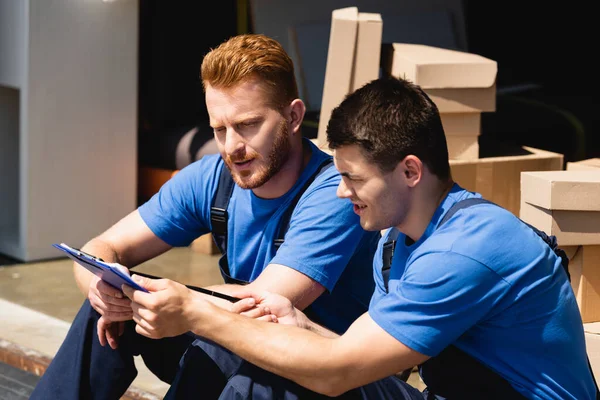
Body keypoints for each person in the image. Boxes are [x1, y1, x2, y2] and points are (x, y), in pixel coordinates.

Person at [121, 76, 597, 399]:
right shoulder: (395, 241)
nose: (341, 191)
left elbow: (338, 372)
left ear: (410, 171)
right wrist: (300, 325)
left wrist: (196, 313)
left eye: (353, 178)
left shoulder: (464, 251)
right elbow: (376, 363)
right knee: (263, 369)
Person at [30, 34, 380, 399]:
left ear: (293, 116)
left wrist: (168, 300)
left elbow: (257, 307)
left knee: (222, 335)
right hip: (245, 356)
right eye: (219, 129)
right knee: (105, 306)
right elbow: (101, 248)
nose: (232, 147)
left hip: (321, 375)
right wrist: (104, 291)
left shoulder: (335, 194)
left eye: (247, 125)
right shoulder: (211, 178)